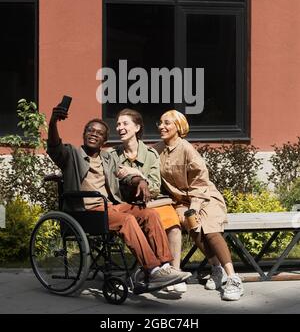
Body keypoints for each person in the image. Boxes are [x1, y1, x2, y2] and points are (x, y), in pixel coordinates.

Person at [46, 103, 191, 294]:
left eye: (99, 133)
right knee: (128, 220)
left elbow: (124, 174)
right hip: (86, 211)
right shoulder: (71, 154)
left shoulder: (109, 158)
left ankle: (165, 266)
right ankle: (152, 270)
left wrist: (140, 180)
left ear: (104, 140)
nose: (94, 134)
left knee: (149, 214)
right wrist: (54, 121)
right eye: (90, 130)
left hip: (111, 206)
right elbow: (54, 146)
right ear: (84, 134)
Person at [154, 110, 244, 301]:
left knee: (210, 230)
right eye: (160, 123)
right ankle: (216, 268)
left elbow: (201, 181)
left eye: (167, 123)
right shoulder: (156, 149)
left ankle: (233, 278)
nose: (161, 127)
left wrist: (193, 207)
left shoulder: (186, 149)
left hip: (204, 196)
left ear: (178, 127)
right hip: (180, 201)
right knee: (191, 226)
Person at [110, 109, 186, 293]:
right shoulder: (112, 155)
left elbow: (153, 187)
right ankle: (156, 270)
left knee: (172, 224)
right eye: (118, 124)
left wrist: (137, 174)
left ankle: (173, 272)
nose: (120, 128)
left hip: (151, 201)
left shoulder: (150, 154)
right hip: (127, 205)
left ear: (136, 127)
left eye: (125, 124)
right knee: (141, 218)